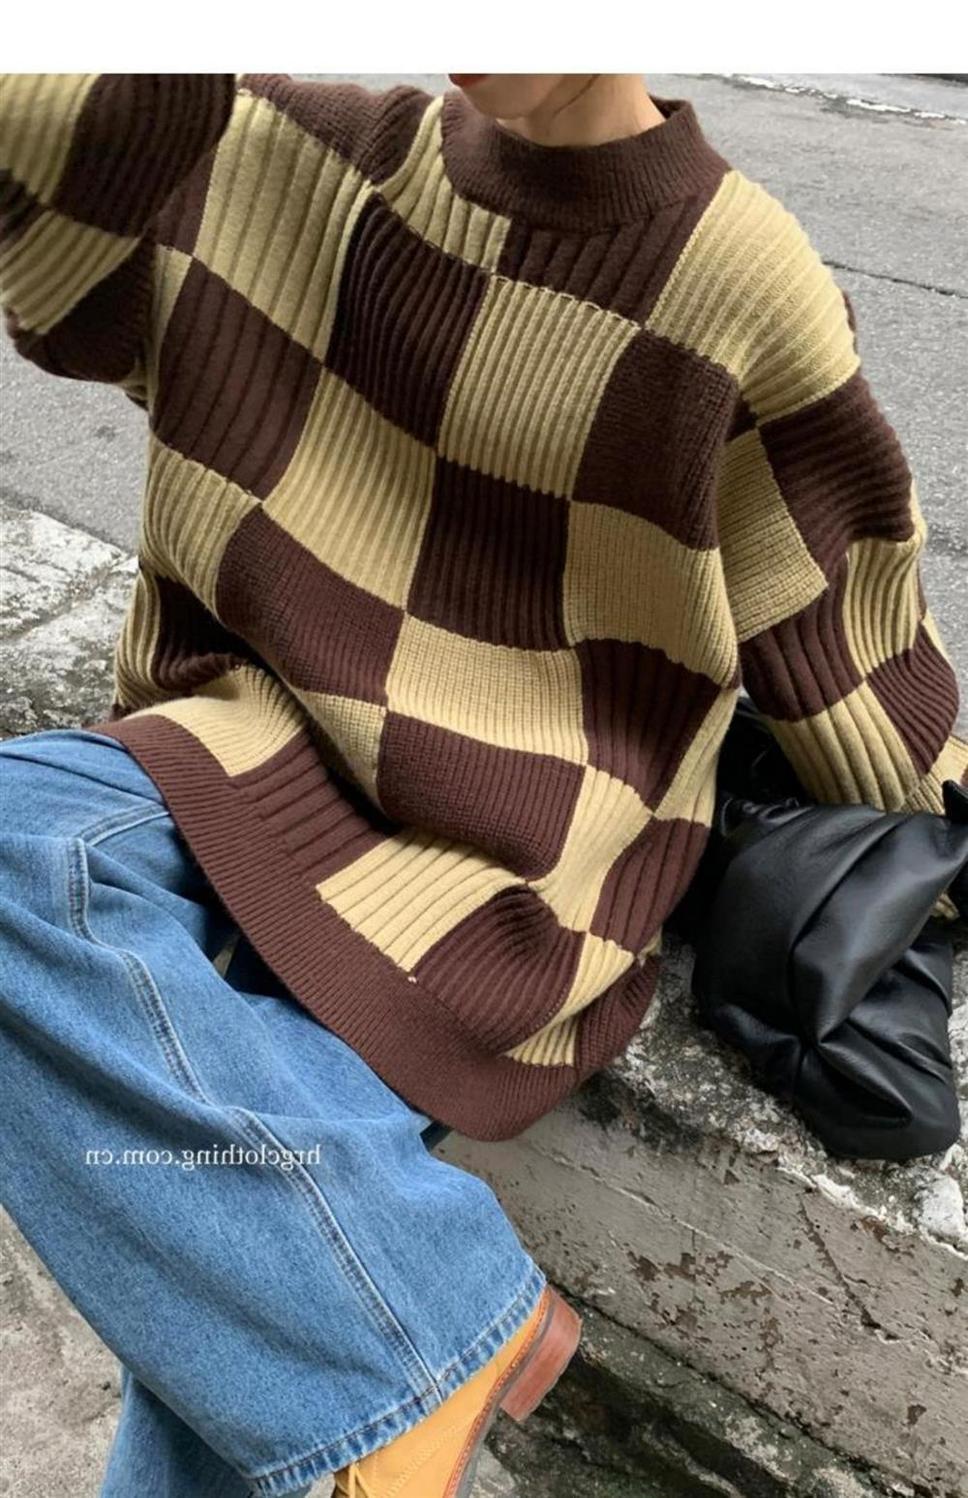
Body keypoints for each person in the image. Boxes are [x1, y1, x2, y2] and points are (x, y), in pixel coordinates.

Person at [0, 70, 964, 1498]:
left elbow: (844, 635)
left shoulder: (741, 279)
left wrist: (928, 832)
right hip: (235, 760)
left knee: (238, 1262)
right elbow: (49, 173)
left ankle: (403, 1352)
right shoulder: (292, 143)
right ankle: (431, 1331)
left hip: (507, 870)